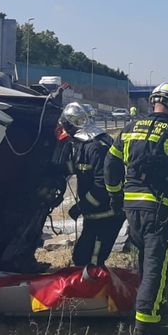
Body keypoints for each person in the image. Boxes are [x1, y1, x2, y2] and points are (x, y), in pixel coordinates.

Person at [105, 82, 168, 335]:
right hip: (158, 209)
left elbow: (110, 165)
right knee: (156, 265)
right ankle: (146, 325)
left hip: (131, 207)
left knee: (145, 262)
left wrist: (115, 196)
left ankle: (154, 307)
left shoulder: (129, 129)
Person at [59, 103, 125, 268]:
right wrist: (64, 155)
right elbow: (76, 169)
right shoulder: (85, 144)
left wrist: (82, 206)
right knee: (81, 257)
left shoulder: (95, 147)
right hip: (95, 215)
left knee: (91, 261)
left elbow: (102, 186)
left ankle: (94, 292)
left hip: (107, 214)